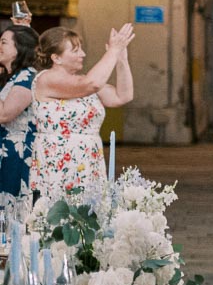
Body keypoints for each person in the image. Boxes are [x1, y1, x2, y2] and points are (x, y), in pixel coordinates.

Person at [31, 24, 135, 201]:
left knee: (88, 218)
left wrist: (121, 59)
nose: (83, 55)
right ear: (56, 58)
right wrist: (112, 50)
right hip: (58, 161)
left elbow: (122, 96)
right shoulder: (45, 79)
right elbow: (92, 84)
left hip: (88, 160)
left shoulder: (83, 80)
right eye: (75, 50)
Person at [0, 25, 40, 215]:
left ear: (20, 48)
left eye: (4, 42)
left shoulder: (27, 77)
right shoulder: (12, 77)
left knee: (11, 210)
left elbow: (5, 114)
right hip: (6, 152)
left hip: (17, 154)